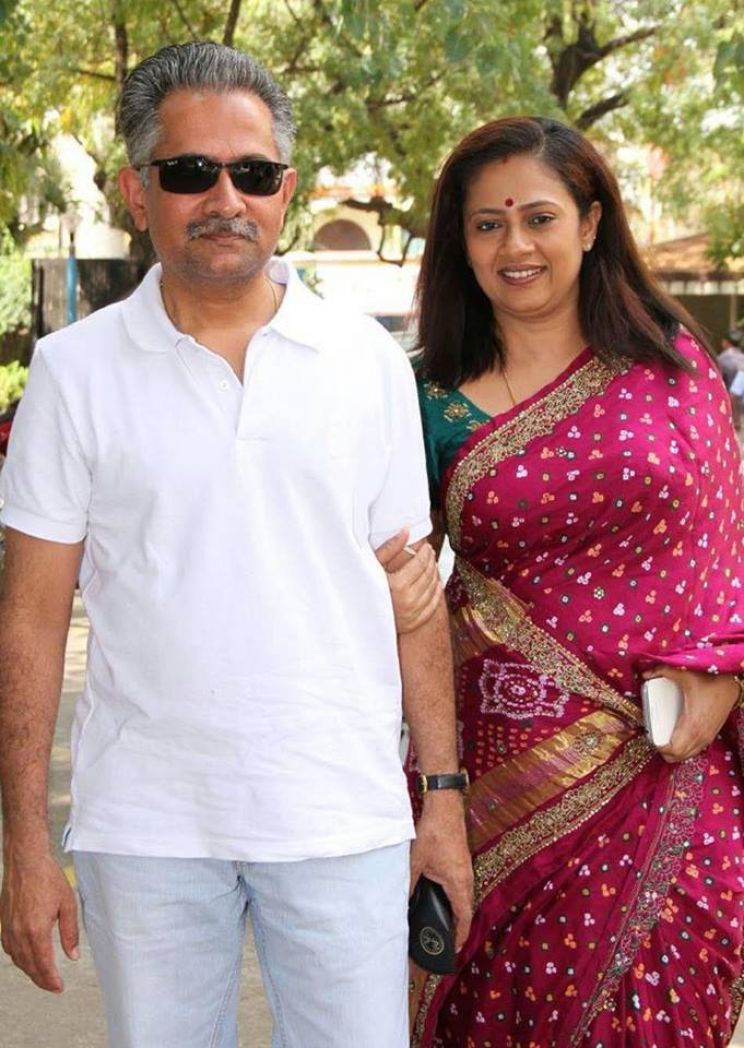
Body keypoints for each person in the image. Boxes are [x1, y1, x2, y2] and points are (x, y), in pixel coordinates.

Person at [0, 42, 473, 1048]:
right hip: (148, 828)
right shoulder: (72, 373)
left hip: (342, 816)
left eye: (253, 173)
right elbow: (30, 620)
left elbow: (413, 599)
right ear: (137, 192)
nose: (226, 198)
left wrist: (441, 799)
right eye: (190, 171)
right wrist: (26, 847)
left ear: (286, 192)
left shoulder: (367, 363)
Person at [387, 116, 744, 1046]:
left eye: (538, 217)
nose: (515, 245)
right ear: (460, 242)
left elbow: (729, 551)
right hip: (494, 775)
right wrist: (434, 785)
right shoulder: (426, 399)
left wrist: (729, 668)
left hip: (667, 761)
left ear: (590, 224)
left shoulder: (672, 365)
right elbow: (393, 584)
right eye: (487, 224)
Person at [717, 329, 744, 431]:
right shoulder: (742, 358)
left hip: (731, 411)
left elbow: (733, 393)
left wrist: (735, 419)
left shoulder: (722, 359)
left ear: (726, 342)